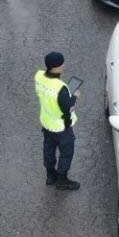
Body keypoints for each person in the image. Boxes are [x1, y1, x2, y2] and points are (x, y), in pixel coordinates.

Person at [35, 51, 81, 191]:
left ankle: (50, 175)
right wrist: (74, 97)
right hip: (61, 127)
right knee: (66, 152)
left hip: (46, 123)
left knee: (48, 148)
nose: (63, 66)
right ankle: (62, 179)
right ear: (56, 67)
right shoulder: (61, 88)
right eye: (62, 64)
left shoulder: (39, 76)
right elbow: (67, 109)